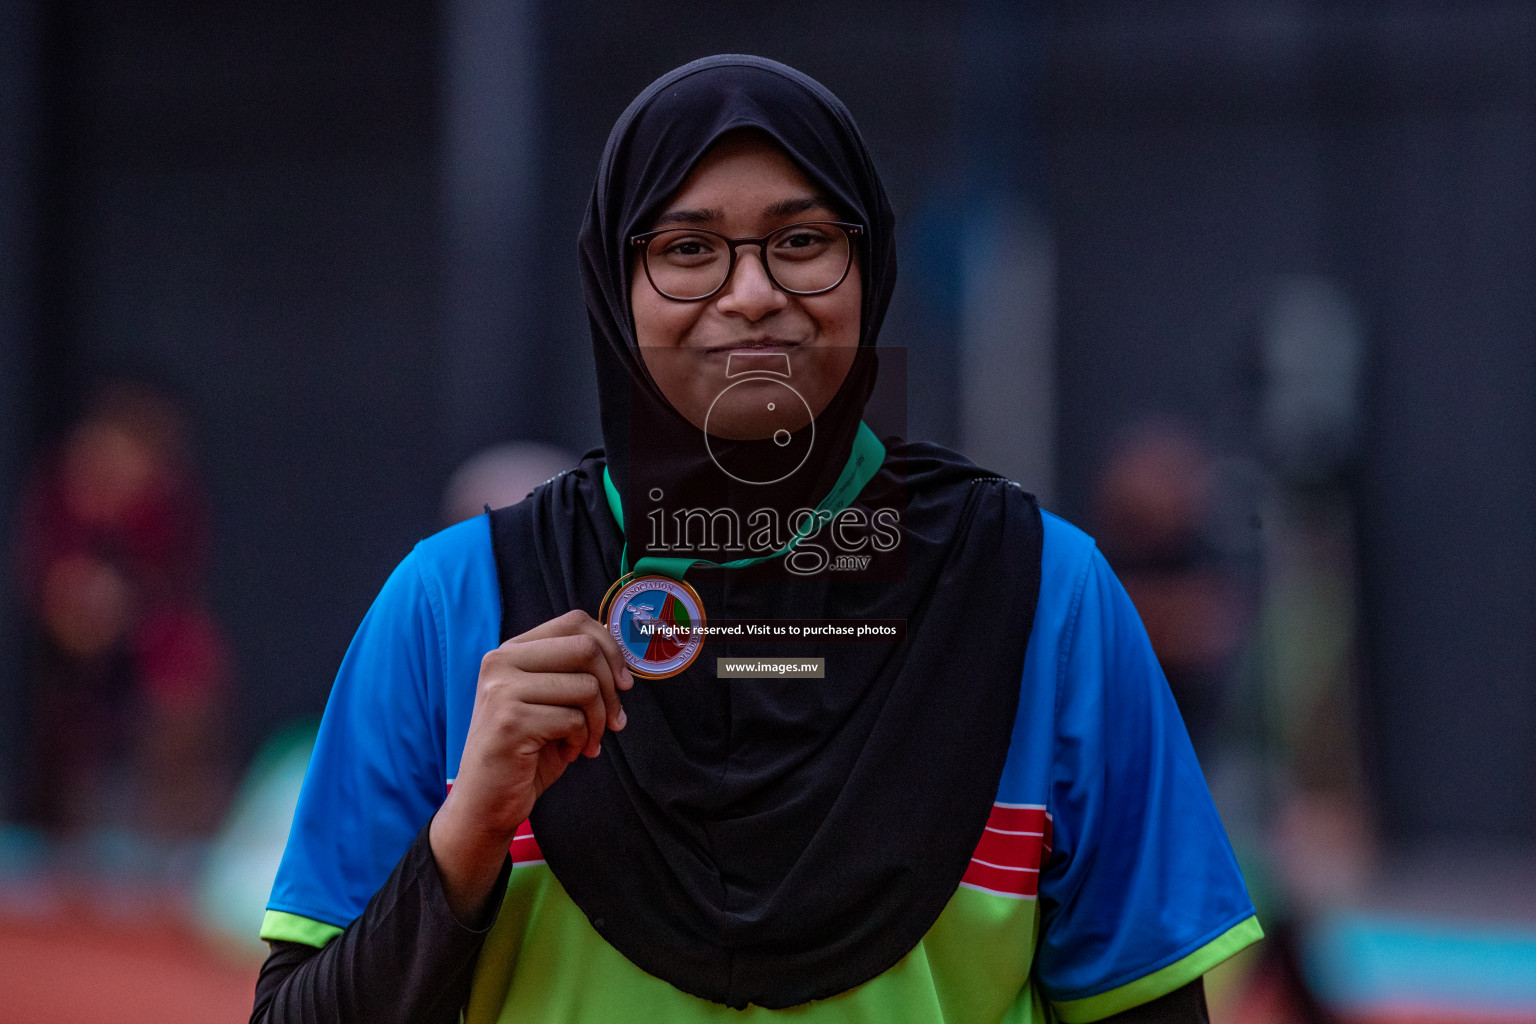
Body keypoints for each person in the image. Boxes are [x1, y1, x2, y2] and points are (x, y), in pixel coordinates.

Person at [251, 55, 1260, 1024]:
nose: (750, 293)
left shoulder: (1041, 595)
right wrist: (469, 829)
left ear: (871, 267)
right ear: (616, 286)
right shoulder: (454, 603)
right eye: (688, 249)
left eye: (802, 240)